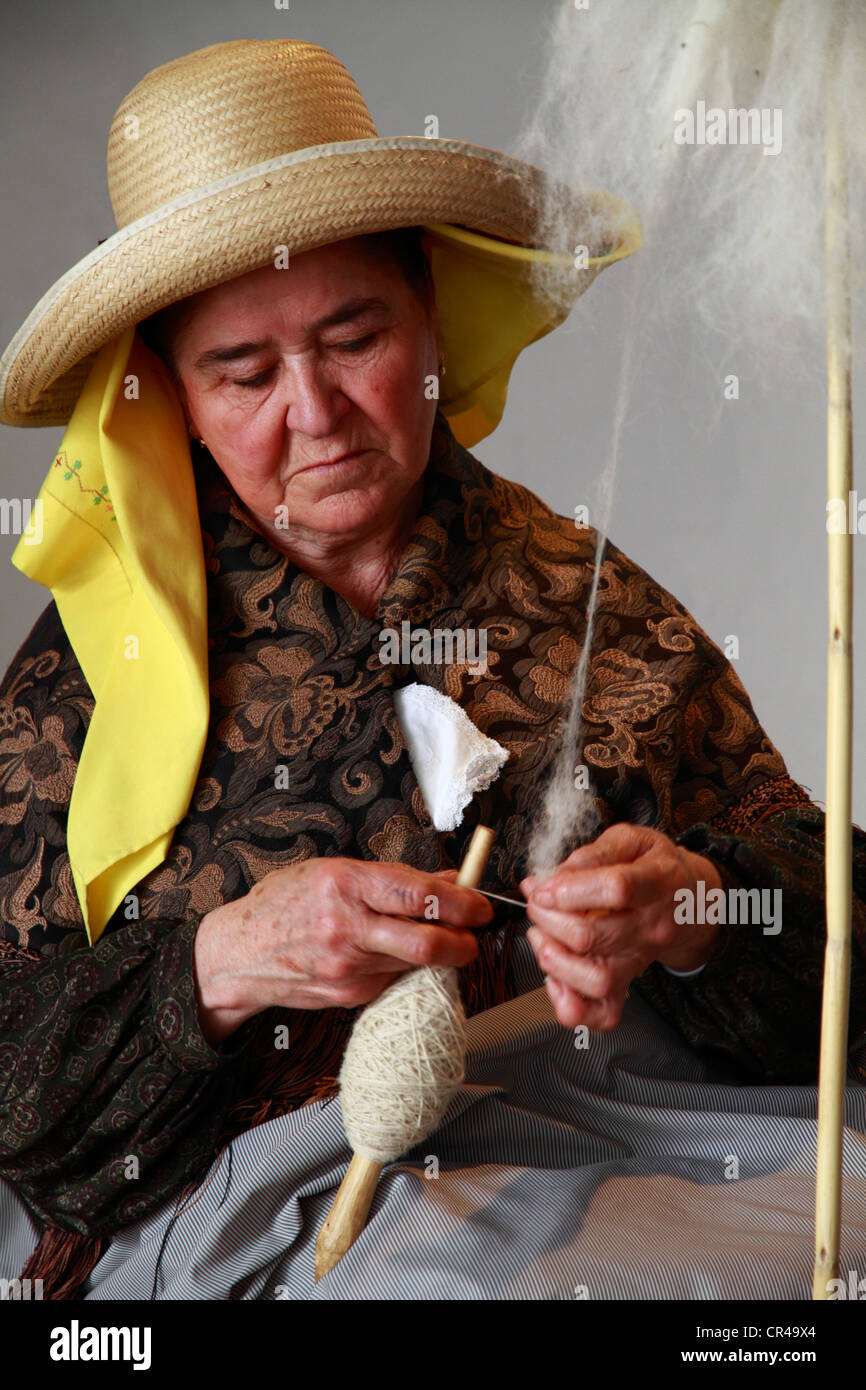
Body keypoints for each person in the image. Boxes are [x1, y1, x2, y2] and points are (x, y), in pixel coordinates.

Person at [0, 38, 863, 1300]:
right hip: (253, 1194)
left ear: (432, 328)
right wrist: (221, 963)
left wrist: (687, 911)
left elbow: (836, 958)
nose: (316, 410)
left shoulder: (583, 597)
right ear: (172, 399)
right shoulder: (91, 667)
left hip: (595, 1119)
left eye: (354, 337)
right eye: (242, 372)